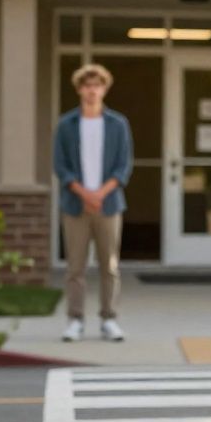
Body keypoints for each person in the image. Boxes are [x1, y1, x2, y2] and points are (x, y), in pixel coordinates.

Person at [53, 63, 133, 342]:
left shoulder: (117, 124)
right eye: (87, 85)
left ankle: (109, 319)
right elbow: (61, 166)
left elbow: (123, 166)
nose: (92, 90)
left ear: (104, 88)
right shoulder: (66, 124)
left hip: (108, 205)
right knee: (75, 268)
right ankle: (75, 320)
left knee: (109, 266)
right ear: (79, 89)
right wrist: (84, 193)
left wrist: (100, 193)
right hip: (75, 206)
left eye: (96, 85)